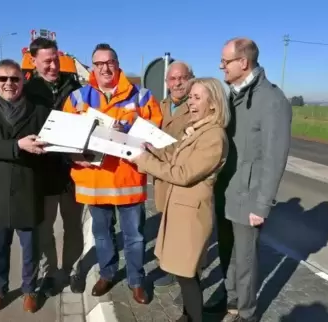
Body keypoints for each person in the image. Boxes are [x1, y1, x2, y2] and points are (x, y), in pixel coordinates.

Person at [62, 43, 162, 304]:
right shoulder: (77, 98)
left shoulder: (141, 96)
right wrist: (75, 153)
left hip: (128, 181)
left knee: (135, 236)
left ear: (118, 64)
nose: (105, 68)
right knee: (102, 234)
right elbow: (65, 136)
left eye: (110, 62)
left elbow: (155, 128)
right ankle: (107, 274)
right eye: (99, 63)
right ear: (92, 66)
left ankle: (136, 281)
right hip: (94, 181)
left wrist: (124, 131)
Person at [131, 77, 230, 322]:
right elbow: (175, 158)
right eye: (190, 98)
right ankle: (187, 316)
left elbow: (182, 174)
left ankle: (194, 318)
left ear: (214, 105)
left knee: (187, 276)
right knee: (187, 272)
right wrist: (151, 148)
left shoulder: (214, 137)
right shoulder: (198, 131)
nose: (191, 103)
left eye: (197, 98)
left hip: (192, 215)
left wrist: (144, 161)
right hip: (181, 211)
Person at [0, 59, 59, 314]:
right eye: (3, 79)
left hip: (28, 187)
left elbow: (52, 142)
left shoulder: (39, 111)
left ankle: (29, 290)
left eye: (14, 79)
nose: (9, 84)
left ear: (23, 81)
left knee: (30, 248)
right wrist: (18, 146)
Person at [218, 38, 292, 322]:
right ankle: (232, 303)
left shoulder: (272, 101)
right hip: (226, 190)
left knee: (246, 259)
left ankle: (246, 314)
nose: (221, 66)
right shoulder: (233, 95)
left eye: (225, 61)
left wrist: (262, 205)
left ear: (243, 63)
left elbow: (275, 159)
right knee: (231, 255)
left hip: (249, 196)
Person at [24, 37, 85, 295]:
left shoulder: (74, 87)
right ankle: (49, 273)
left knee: (73, 227)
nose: (52, 65)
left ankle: (72, 269)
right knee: (45, 228)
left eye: (55, 59)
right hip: (43, 174)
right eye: (46, 61)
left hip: (73, 172)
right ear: (34, 61)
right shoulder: (28, 93)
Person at [153, 61, 194, 288]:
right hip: (162, 176)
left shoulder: (199, 105)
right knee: (165, 225)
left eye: (182, 78)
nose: (178, 83)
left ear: (191, 78)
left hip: (183, 176)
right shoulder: (162, 105)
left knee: (185, 231)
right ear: (167, 82)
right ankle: (168, 268)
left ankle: (188, 280)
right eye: (173, 79)